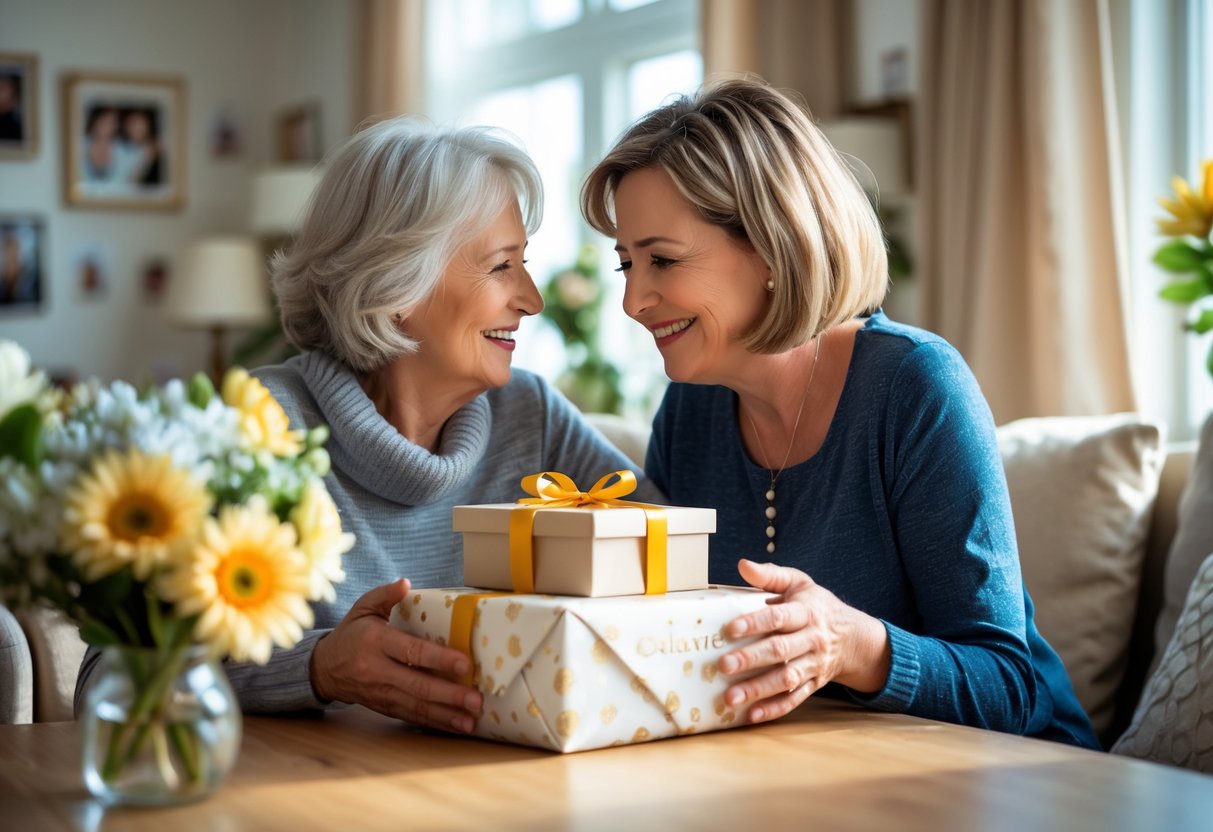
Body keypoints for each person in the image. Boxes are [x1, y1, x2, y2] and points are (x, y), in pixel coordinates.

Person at [76, 117, 661, 734]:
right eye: (501, 267)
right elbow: (107, 679)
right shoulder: (253, 430)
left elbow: (677, 568)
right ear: (396, 284)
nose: (533, 299)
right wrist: (318, 668)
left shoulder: (532, 416)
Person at [581, 78, 1100, 749]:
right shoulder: (690, 411)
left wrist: (852, 646)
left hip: (1019, 782)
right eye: (626, 264)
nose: (633, 301)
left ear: (770, 246)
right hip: (812, 773)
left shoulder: (913, 386)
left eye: (662, 260)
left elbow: (1010, 687)